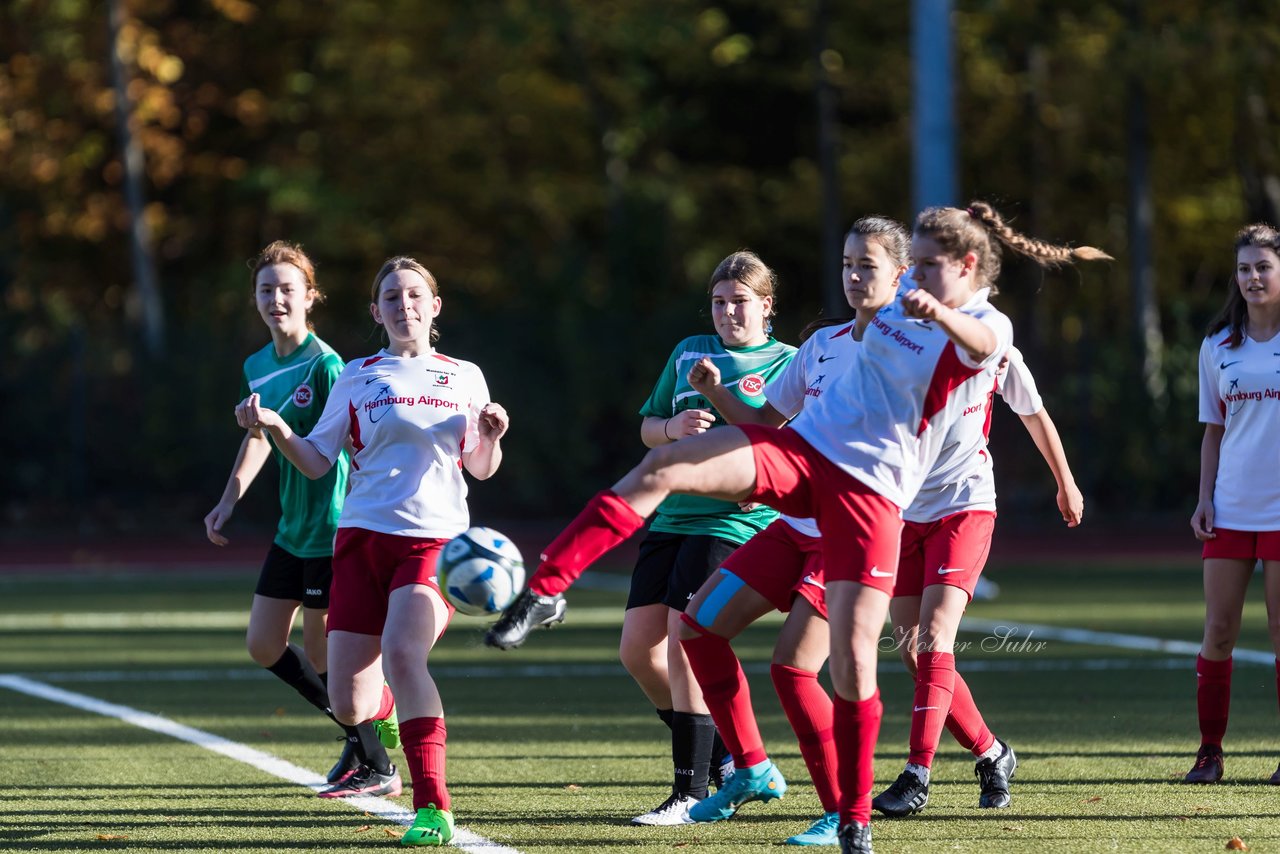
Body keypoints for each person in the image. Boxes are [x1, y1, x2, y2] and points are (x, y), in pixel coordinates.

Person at [489, 251, 797, 825]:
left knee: (686, 643)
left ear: (767, 306)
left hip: (729, 523)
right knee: (636, 651)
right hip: (670, 519)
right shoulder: (687, 353)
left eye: (740, 302)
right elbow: (648, 428)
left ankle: (688, 793)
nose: (728, 312)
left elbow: (785, 445)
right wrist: (672, 429)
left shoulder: (788, 363)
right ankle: (728, 757)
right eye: (719, 302)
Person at [234, 256, 509, 846]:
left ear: (434, 307)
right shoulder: (358, 375)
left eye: (414, 295)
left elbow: (481, 469)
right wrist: (278, 427)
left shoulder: (464, 375)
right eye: (391, 297)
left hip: (434, 542)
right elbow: (314, 461)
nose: (403, 305)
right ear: (375, 311)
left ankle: (433, 806)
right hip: (359, 542)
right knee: (350, 702)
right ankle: (382, 719)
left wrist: (489, 435)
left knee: (404, 654)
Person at [675, 217, 910, 847]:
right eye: (847, 264)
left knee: (793, 668)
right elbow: (767, 425)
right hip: (795, 526)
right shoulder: (823, 344)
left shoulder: (915, 348)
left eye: (868, 264)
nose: (855, 275)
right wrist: (718, 392)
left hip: (851, 533)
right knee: (696, 627)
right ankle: (752, 768)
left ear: (900, 273)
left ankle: (841, 811)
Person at [203, 240, 398, 797]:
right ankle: (359, 735)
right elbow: (259, 437)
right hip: (292, 529)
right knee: (264, 644)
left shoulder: (328, 363)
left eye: (287, 288)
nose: (276, 299)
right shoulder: (257, 365)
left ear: (310, 297)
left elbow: (330, 448)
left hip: (330, 527)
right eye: (266, 289)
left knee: (322, 653)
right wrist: (229, 499)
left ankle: (377, 761)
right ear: (255, 299)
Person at [872, 342, 1084, 817]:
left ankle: (916, 774)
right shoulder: (889, 342)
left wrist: (1065, 481)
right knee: (912, 654)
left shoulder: (994, 343)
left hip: (965, 507)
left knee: (933, 640)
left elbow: (1033, 413)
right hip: (902, 514)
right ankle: (992, 754)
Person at [1187, 223, 1280, 784]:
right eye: (1244, 268)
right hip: (1231, 509)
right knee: (1218, 632)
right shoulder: (1218, 345)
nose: (1252, 277)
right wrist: (1204, 499)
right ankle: (1209, 753)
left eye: (1263, 267)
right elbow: (1213, 432)